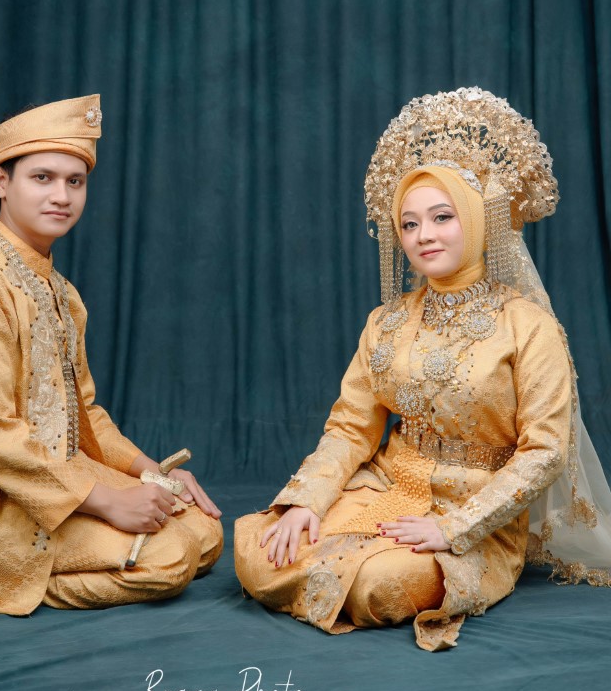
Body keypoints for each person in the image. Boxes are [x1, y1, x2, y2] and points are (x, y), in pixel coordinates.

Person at [234, 87, 611, 650]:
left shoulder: (527, 326)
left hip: (475, 511)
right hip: (385, 486)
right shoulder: (386, 321)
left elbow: (546, 450)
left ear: (477, 221)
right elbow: (351, 427)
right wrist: (306, 500)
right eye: (409, 224)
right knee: (259, 550)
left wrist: (453, 527)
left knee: (379, 587)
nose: (424, 235)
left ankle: (399, 566)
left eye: (442, 217)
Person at [0, 95, 222, 614]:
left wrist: (152, 475)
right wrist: (110, 501)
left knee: (204, 530)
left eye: (75, 181)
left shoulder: (58, 290)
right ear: (2, 182)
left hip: (60, 482)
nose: (61, 196)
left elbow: (84, 414)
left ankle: (108, 543)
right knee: (172, 557)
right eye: (42, 178)